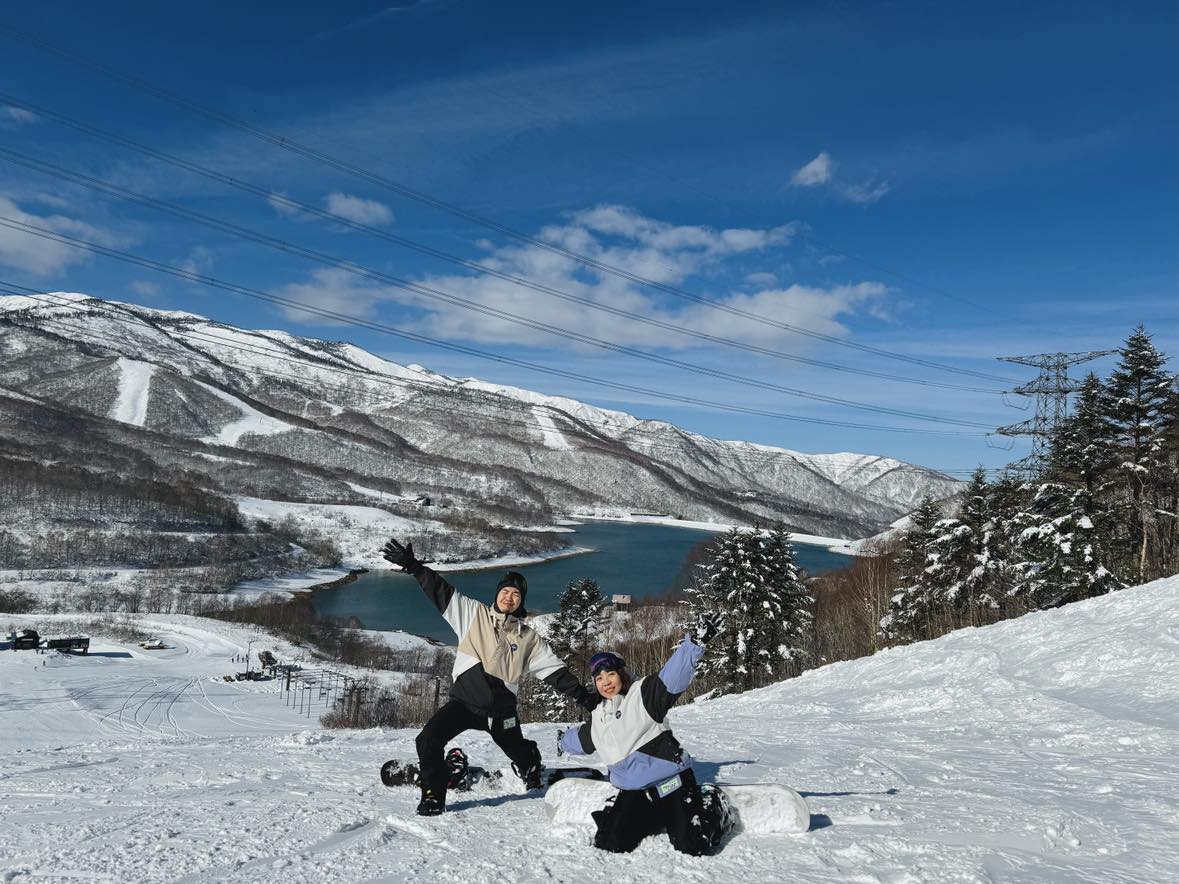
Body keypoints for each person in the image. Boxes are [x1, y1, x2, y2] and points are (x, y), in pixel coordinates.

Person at [381, 537, 597, 816]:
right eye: (505, 591)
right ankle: (434, 793)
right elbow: (441, 592)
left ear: (521, 601)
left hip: (500, 712)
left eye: (516, 594)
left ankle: (529, 764)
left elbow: (555, 672)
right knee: (428, 739)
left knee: (517, 749)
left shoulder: (529, 639)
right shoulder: (473, 615)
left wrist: (587, 699)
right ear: (497, 594)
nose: (509, 597)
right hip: (464, 704)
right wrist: (414, 566)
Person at [557, 611, 732, 855]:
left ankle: (711, 802)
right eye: (599, 678)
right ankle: (651, 815)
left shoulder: (643, 696)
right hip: (635, 791)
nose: (605, 681)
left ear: (622, 675)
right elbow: (581, 740)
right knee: (609, 843)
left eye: (611, 674)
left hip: (670, 781)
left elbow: (672, 678)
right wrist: (562, 742)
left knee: (691, 845)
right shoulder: (598, 717)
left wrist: (695, 644)